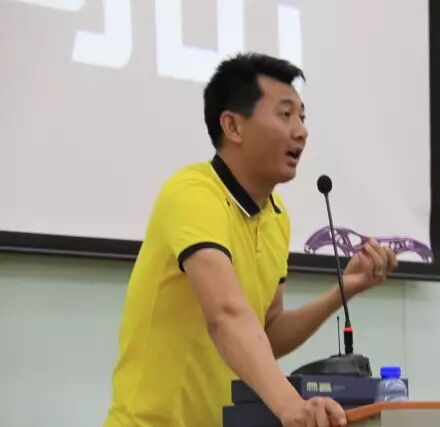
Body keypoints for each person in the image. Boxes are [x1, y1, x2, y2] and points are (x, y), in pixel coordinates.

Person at [103, 52, 398, 427]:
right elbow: (226, 315)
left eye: (302, 117)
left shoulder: (277, 216)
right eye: (285, 114)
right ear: (233, 127)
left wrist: (346, 287)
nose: (301, 131)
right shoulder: (193, 194)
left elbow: (266, 333)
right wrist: (290, 405)